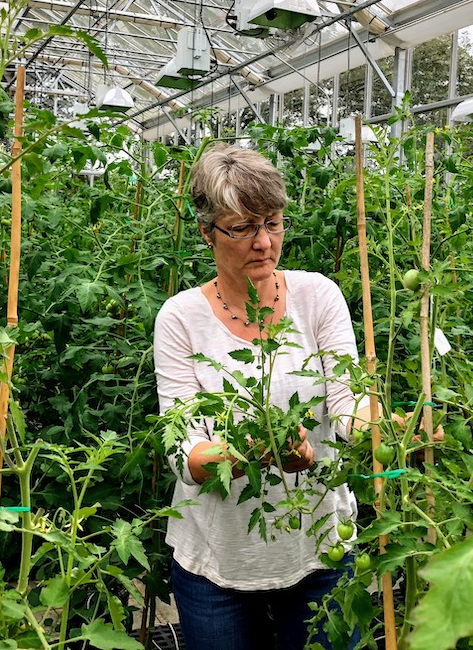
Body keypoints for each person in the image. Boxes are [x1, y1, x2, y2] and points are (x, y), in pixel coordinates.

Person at [153, 144, 365, 650]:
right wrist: (254, 451)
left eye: (272, 222)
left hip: (320, 548)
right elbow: (186, 453)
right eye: (242, 227)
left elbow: (349, 402)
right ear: (207, 233)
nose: (263, 242)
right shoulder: (180, 319)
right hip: (218, 560)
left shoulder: (319, 296)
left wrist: (391, 431)